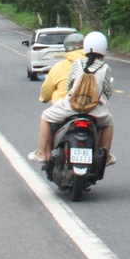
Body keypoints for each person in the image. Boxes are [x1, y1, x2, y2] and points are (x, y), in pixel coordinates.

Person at [31, 30, 115, 165]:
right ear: (104, 49)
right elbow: (107, 91)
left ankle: (41, 153)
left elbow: (70, 87)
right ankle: (105, 156)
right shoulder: (105, 68)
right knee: (108, 123)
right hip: (95, 110)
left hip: (71, 107)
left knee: (46, 116)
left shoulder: (77, 64)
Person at [38, 33, 86, 101]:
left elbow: (46, 93)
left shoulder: (58, 67)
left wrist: (43, 98)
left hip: (64, 108)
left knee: (46, 112)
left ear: (66, 48)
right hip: (93, 108)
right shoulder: (99, 66)